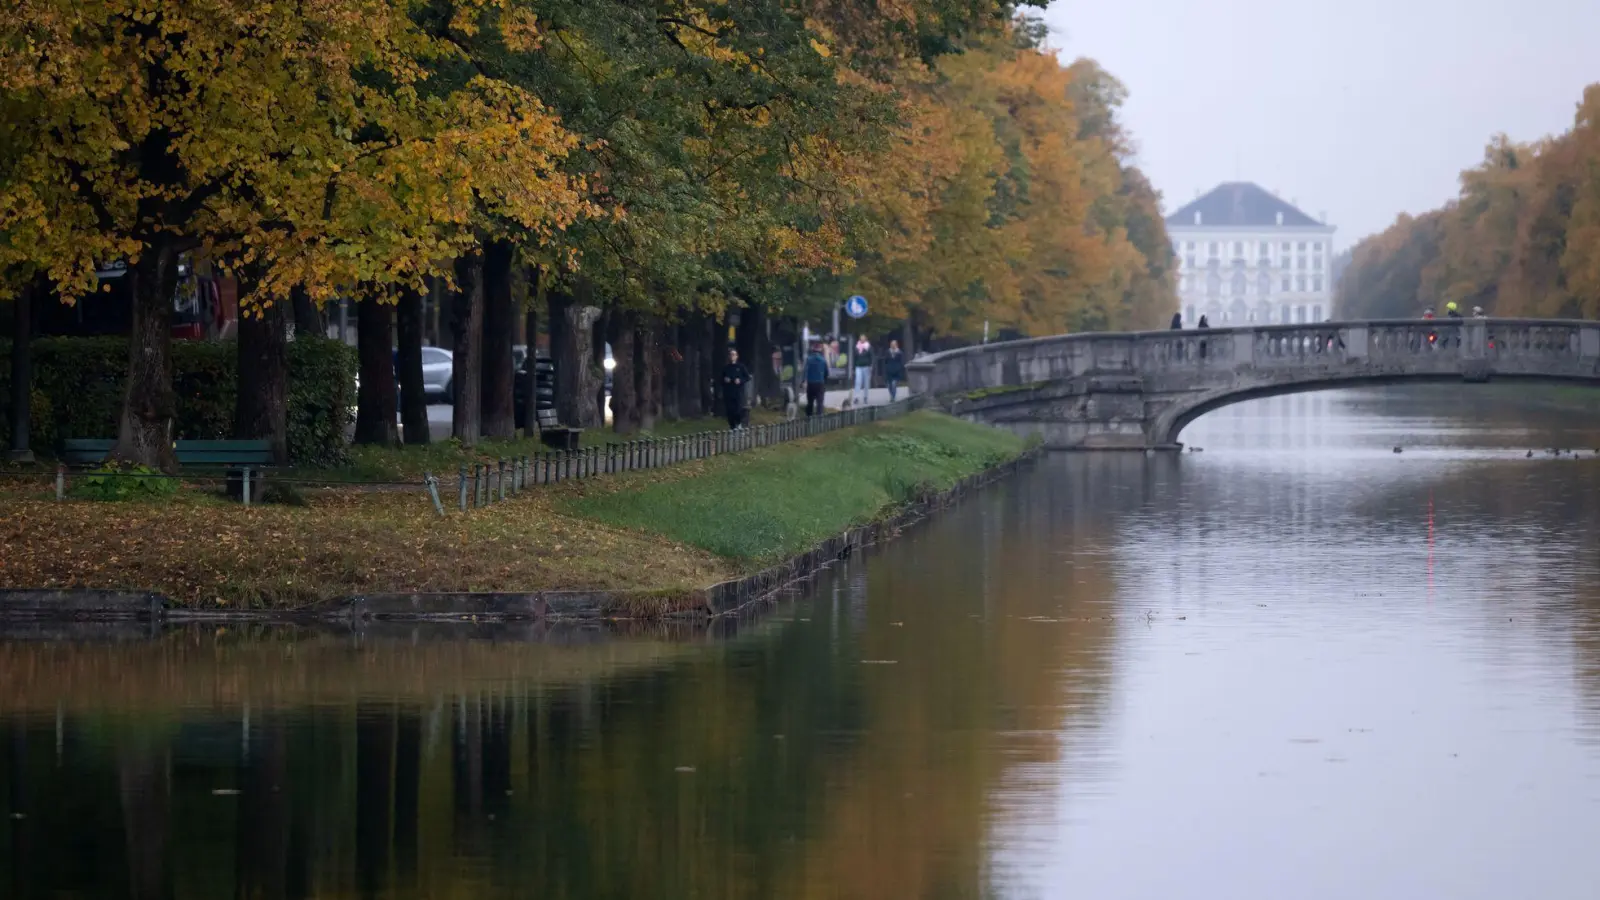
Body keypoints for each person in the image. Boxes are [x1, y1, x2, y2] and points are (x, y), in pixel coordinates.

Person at [721, 348, 751, 430]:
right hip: (729, 392)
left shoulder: (741, 367)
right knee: (730, 411)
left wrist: (740, 380)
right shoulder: (726, 368)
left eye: (733, 355)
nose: (732, 356)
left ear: (737, 356)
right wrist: (725, 380)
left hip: (738, 392)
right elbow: (720, 379)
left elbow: (747, 377)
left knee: (738, 410)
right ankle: (732, 427)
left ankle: (739, 424)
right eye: (730, 355)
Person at [804, 342, 828, 417]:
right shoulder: (823, 360)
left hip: (811, 384)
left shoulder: (808, 359)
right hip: (820, 384)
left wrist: (803, 381)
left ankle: (808, 418)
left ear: (813, 351)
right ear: (820, 351)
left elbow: (805, 371)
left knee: (810, 402)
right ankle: (819, 419)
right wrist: (824, 379)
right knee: (820, 403)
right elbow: (826, 373)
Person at [852, 337, 873, 406]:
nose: (862, 340)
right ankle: (856, 397)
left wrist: (871, 365)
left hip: (866, 366)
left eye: (863, 339)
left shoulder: (868, 347)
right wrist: (853, 367)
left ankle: (865, 397)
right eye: (861, 339)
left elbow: (871, 357)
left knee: (866, 383)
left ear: (865, 340)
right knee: (858, 382)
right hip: (858, 366)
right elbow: (854, 358)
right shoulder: (857, 347)